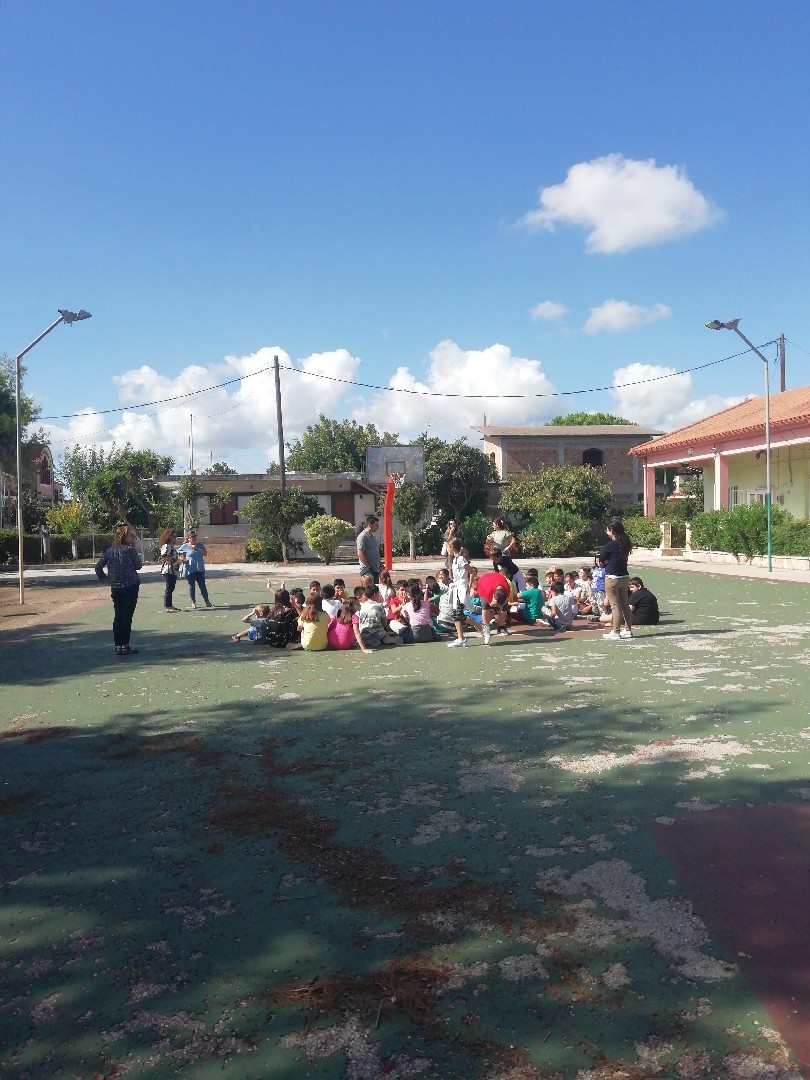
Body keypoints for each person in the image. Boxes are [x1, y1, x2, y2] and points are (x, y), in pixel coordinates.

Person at [95, 523, 143, 656]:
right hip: (130, 586)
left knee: (118, 615)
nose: (132, 538)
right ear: (124, 536)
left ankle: (118, 645)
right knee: (127, 616)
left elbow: (98, 567)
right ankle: (125, 645)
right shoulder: (130, 550)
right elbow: (138, 566)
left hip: (116, 587)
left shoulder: (109, 551)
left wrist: (105, 578)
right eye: (130, 536)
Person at [600, 518, 633, 640]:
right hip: (624, 577)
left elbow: (602, 559)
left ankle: (616, 631)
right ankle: (628, 630)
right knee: (625, 604)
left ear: (612, 531)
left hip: (612, 578)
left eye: (608, 530)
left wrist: (603, 561)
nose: (607, 532)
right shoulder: (626, 543)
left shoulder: (610, 545)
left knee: (615, 605)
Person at [447, 537, 473, 648]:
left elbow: (471, 571)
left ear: (452, 548)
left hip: (461, 587)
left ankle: (482, 622)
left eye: (448, 546)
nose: (447, 548)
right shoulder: (455, 559)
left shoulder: (461, 559)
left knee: (460, 611)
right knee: (457, 613)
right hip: (456, 587)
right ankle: (461, 638)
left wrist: (468, 585)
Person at [177, 530, 213, 610]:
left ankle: (207, 601)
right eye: (192, 537)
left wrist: (197, 548)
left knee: (202, 586)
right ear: (188, 538)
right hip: (190, 569)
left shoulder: (199, 545)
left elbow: (205, 553)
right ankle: (193, 602)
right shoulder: (185, 546)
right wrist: (182, 559)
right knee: (191, 586)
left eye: (195, 536)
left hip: (199, 568)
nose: (194, 538)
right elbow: (178, 554)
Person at [477, 569, 511, 644]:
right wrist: (491, 604)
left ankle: (501, 627)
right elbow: (489, 605)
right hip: (484, 582)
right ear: (493, 597)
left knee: (504, 606)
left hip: (497, 579)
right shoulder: (488, 591)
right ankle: (486, 628)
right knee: (485, 605)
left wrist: (502, 606)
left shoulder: (506, 589)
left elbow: (507, 599)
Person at [358, 584, 388, 649]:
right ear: (375, 594)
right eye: (379, 593)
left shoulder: (361, 606)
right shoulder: (379, 606)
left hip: (363, 634)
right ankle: (385, 638)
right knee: (386, 630)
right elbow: (384, 623)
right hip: (378, 634)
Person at [158, 528, 181, 613]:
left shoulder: (171, 547)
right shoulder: (166, 546)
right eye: (173, 536)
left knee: (171, 588)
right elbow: (164, 555)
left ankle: (170, 605)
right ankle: (168, 607)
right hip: (169, 570)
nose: (175, 538)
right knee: (169, 588)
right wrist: (171, 563)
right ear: (169, 537)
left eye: (175, 536)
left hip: (173, 570)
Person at [356, 515, 381, 583]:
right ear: (370, 524)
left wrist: (380, 564)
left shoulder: (372, 536)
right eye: (376, 525)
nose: (378, 527)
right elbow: (360, 553)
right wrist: (368, 567)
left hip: (376, 569)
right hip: (368, 570)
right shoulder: (362, 536)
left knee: (375, 591)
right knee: (369, 591)